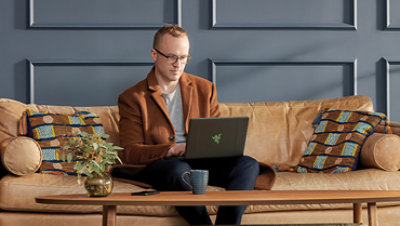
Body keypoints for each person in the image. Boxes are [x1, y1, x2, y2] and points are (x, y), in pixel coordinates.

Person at [118, 24, 259, 225]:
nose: (178, 64)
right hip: (165, 165)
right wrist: (170, 150)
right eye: (171, 56)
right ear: (154, 54)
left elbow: (216, 135)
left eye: (184, 57)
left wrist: (220, 146)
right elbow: (129, 152)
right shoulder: (132, 97)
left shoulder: (205, 88)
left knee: (248, 164)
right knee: (177, 170)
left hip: (202, 163)